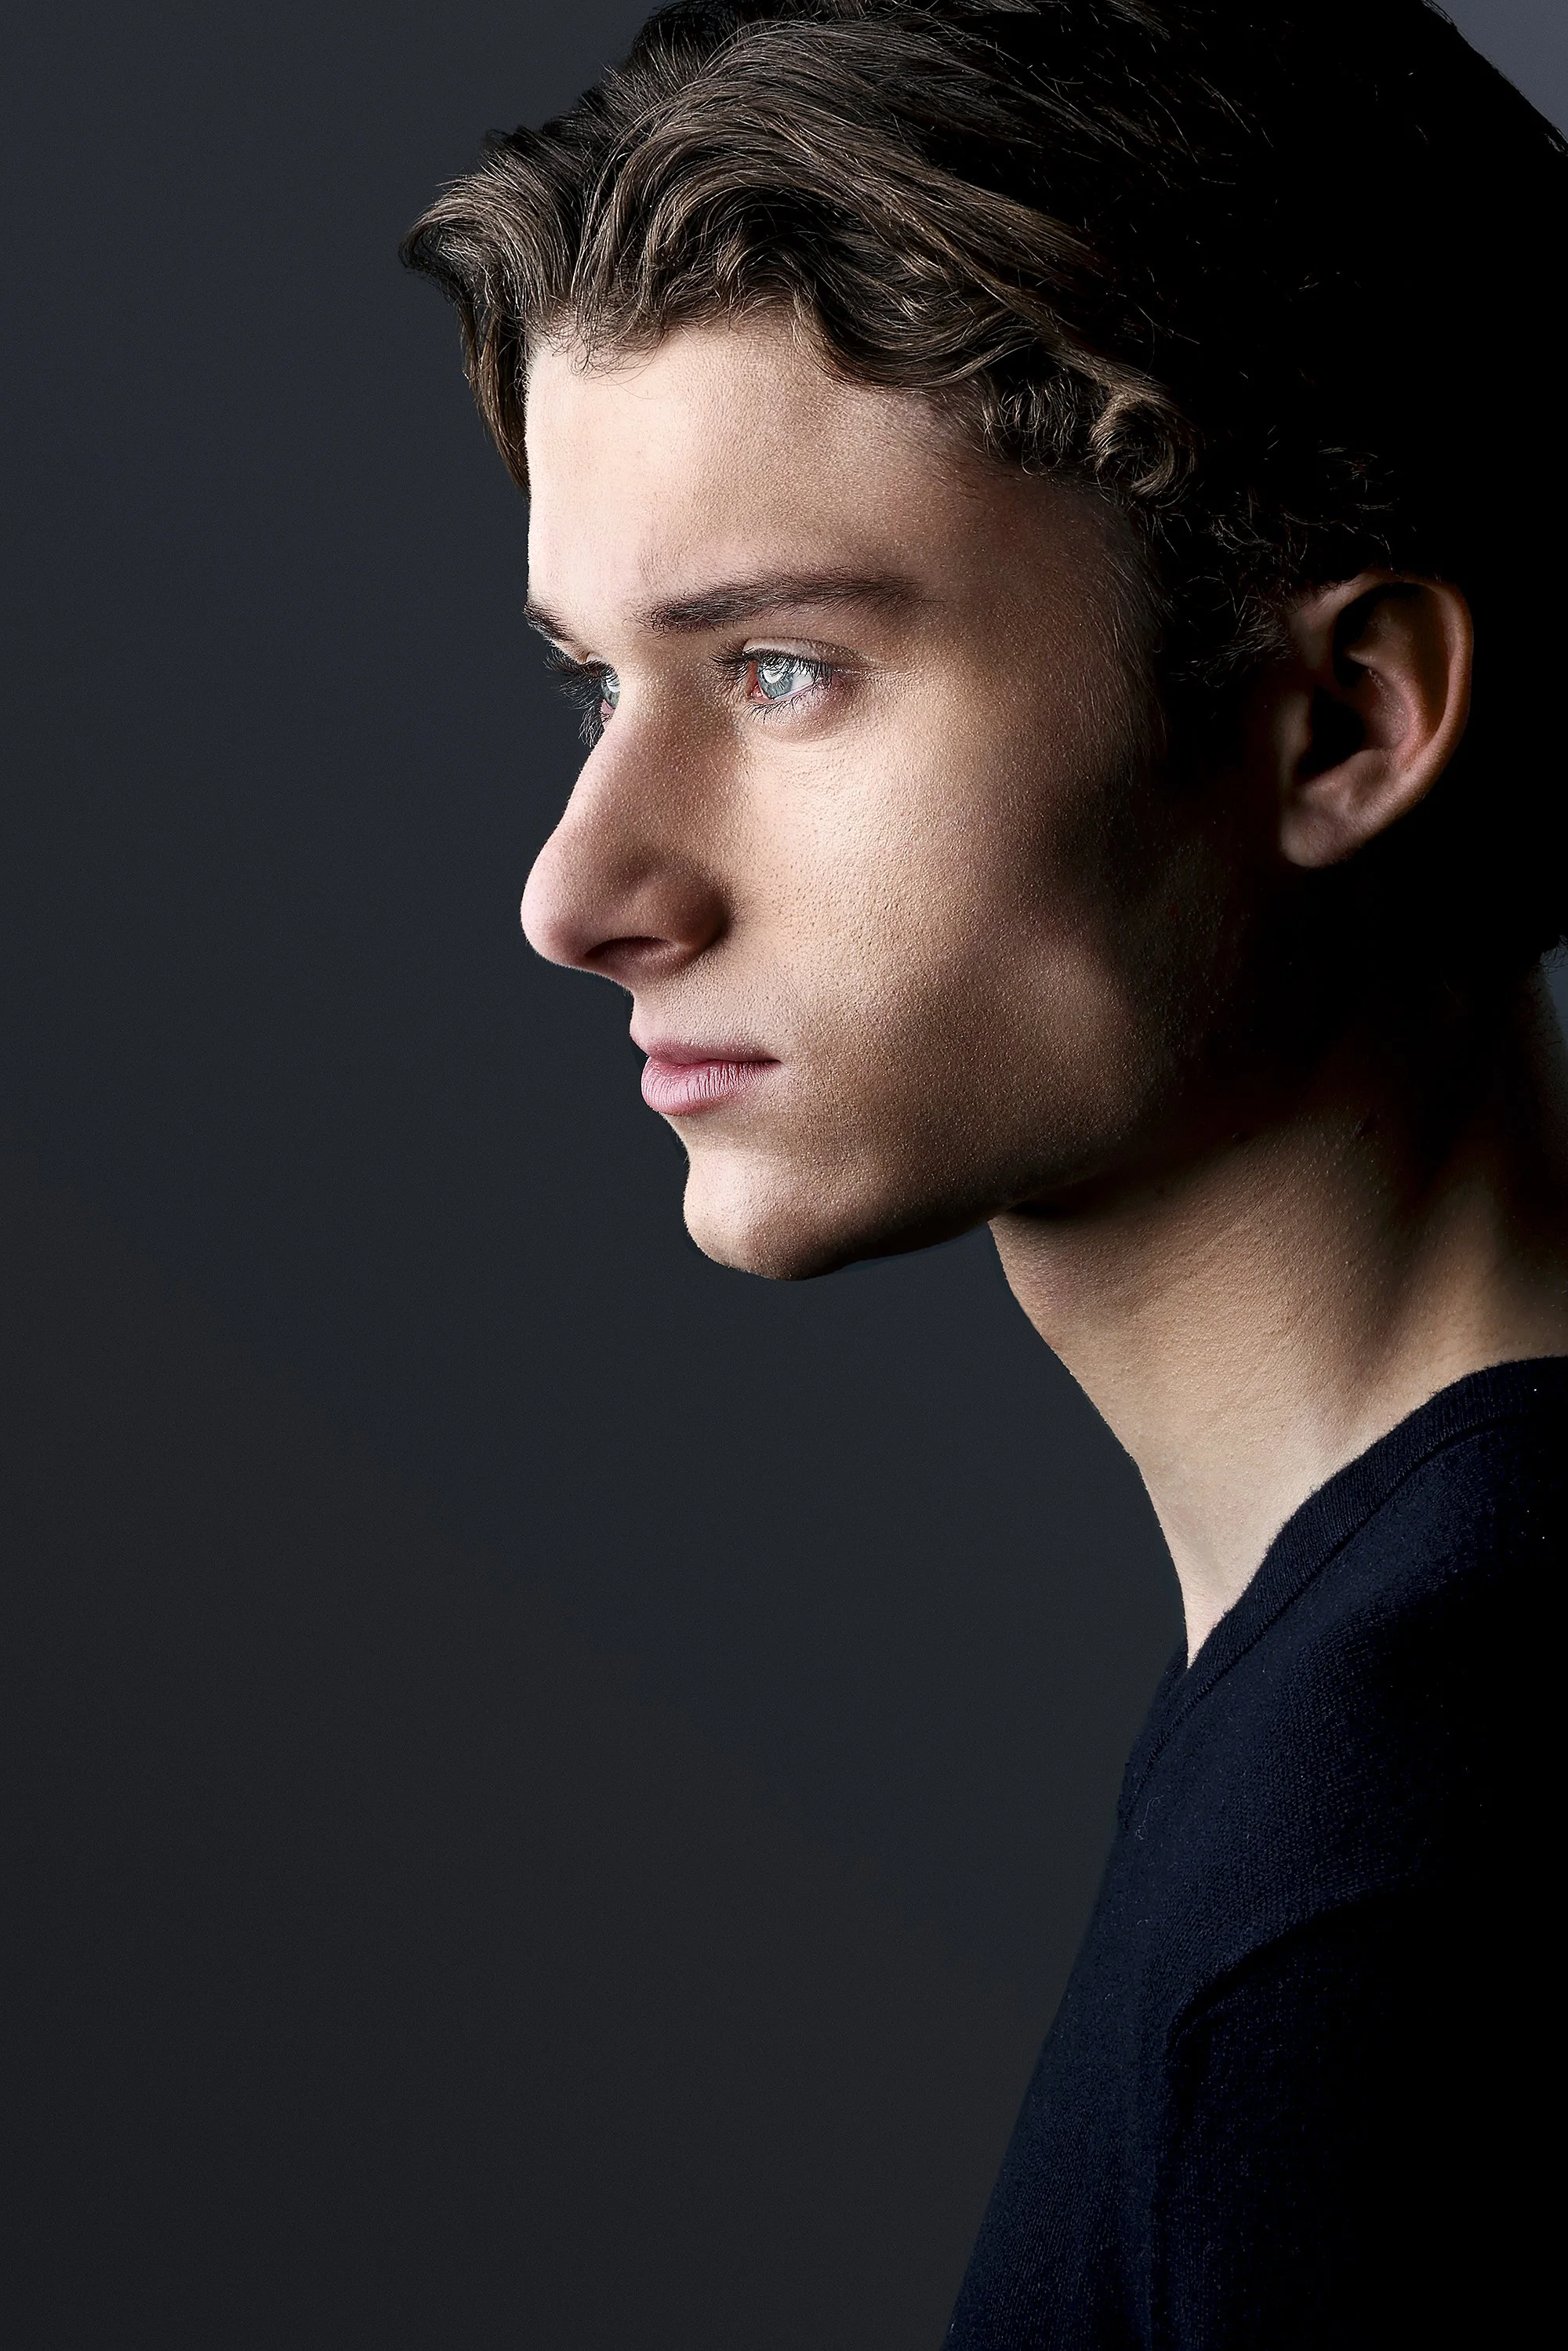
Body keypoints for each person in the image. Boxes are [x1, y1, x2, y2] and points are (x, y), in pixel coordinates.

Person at [403, 3, 1568, 2339]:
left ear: (1338, 719)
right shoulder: (1386, 1693)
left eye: (783, 674)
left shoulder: (1401, 1886)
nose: (579, 886)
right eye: (589, 683)